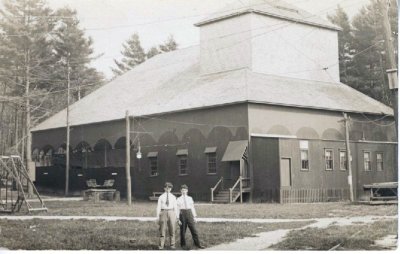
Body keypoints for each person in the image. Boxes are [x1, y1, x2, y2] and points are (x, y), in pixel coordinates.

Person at [177, 184, 205, 249]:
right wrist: (178, 219)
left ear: (187, 191)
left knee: (194, 230)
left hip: (189, 213)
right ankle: (183, 245)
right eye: (182, 190)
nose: (184, 191)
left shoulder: (190, 198)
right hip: (182, 214)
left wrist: (194, 217)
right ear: (180, 191)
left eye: (185, 190)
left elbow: (192, 207)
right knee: (182, 231)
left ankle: (198, 244)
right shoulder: (178, 199)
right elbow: (177, 209)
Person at [156, 182, 179, 250]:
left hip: (171, 212)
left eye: (169, 188)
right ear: (164, 188)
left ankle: (172, 245)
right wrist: (157, 216)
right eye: (166, 188)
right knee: (162, 229)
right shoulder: (161, 197)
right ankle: (161, 245)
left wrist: (177, 216)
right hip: (163, 212)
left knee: (172, 229)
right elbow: (158, 207)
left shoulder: (173, 197)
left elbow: (175, 207)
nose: (168, 189)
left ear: (171, 189)